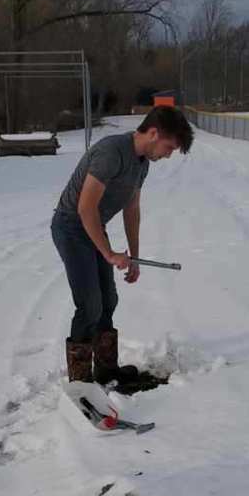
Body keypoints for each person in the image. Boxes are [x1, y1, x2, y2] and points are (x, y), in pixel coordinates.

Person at [51, 106, 194, 387]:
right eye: (169, 147)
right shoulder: (111, 152)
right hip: (70, 226)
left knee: (108, 301)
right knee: (90, 305)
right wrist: (108, 253)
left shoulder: (142, 164)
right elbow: (85, 207)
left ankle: (106, 371)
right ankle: (80, 384)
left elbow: (132, 208)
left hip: (93, 227)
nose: (168, 155)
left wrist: (134, 256)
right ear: (153, 133)